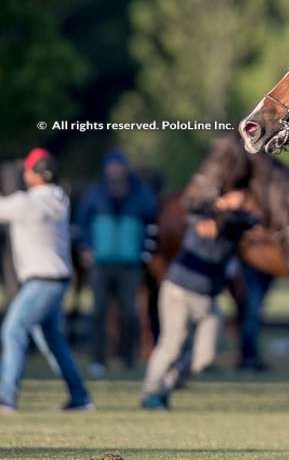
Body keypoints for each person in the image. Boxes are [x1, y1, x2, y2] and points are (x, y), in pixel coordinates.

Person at [139, 190, 259, 409]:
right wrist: (221, 208)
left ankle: (168, 384)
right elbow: (203, 220)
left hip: (209, 298)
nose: (239, 200)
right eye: (234, 196)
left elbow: (255, 222)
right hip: (180, 290)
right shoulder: (203, 214)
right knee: (171, 346)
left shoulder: (238, 223)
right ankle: (150, 393)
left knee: (205, 357)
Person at [0, 149, 93, 412]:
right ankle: (80, 397)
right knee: (54, 341)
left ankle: (6, 397)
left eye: (29, 170)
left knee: (13, 330)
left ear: (38, 174)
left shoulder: (28, 202)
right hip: (56, 280)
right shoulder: (58, 198)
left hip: (42, 281)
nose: (26, 175)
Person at [75, 150, 157, 376]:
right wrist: (86, 247)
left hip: (130, 263)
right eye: (111, 166)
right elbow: (82, 223)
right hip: (101, 262)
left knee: (130, 313)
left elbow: (152, 223)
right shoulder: (95, 193)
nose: (114, 170)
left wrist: (145, 252)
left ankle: (127, 357)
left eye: (118, 165)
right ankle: (98, 359)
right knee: (99, 311)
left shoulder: (141, 193)